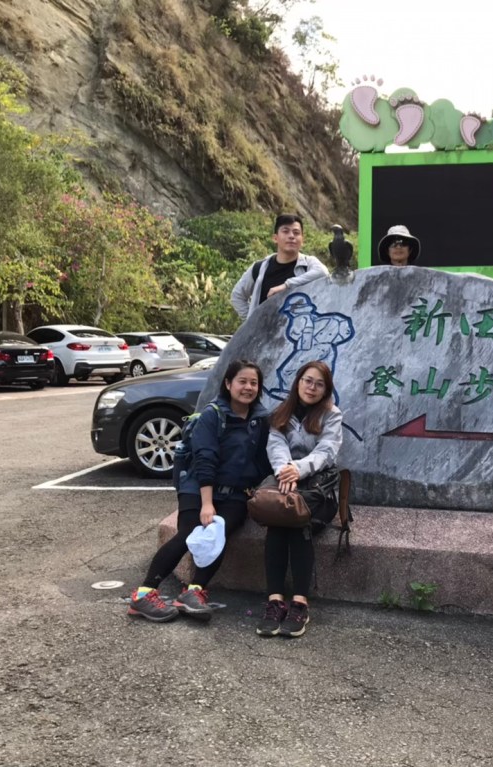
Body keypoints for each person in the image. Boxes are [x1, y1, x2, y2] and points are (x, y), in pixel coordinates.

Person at [127, 359, 271, 622]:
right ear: (228, 383)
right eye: (242, 381)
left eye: (254, 383)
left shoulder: (260, 420)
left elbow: (263, 459)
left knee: (218, 533)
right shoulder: (212, 415)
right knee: (189, 533)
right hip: (198, 487)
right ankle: (144, 594)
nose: (248, 387)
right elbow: (205, 459)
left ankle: (194, 592)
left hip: (235, 492)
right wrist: (207, 503)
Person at [255, 360, 343, 638]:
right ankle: (275, 601)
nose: (312, 387)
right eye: (308, 380)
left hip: (319, 491)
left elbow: (326, 452)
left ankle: (300, 603)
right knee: (278, 520)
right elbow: (276, 446)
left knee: (296, 521)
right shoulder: (282, 412)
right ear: (298, 382)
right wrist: (285, 472)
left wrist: (298, 469)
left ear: (326, 389)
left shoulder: (331, 415)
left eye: (319, 384)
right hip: (286, 482)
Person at [230, 214, 330, 320]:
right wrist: (253, 321)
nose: (291, 236)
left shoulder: (308, 264)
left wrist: (287, 285)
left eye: (296, 233)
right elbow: (237, 295)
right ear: (275, 238)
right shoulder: (260, 268)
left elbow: (323, 272)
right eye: (285, 231)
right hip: (265, 330)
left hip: (299, 329)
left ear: (302, 240)